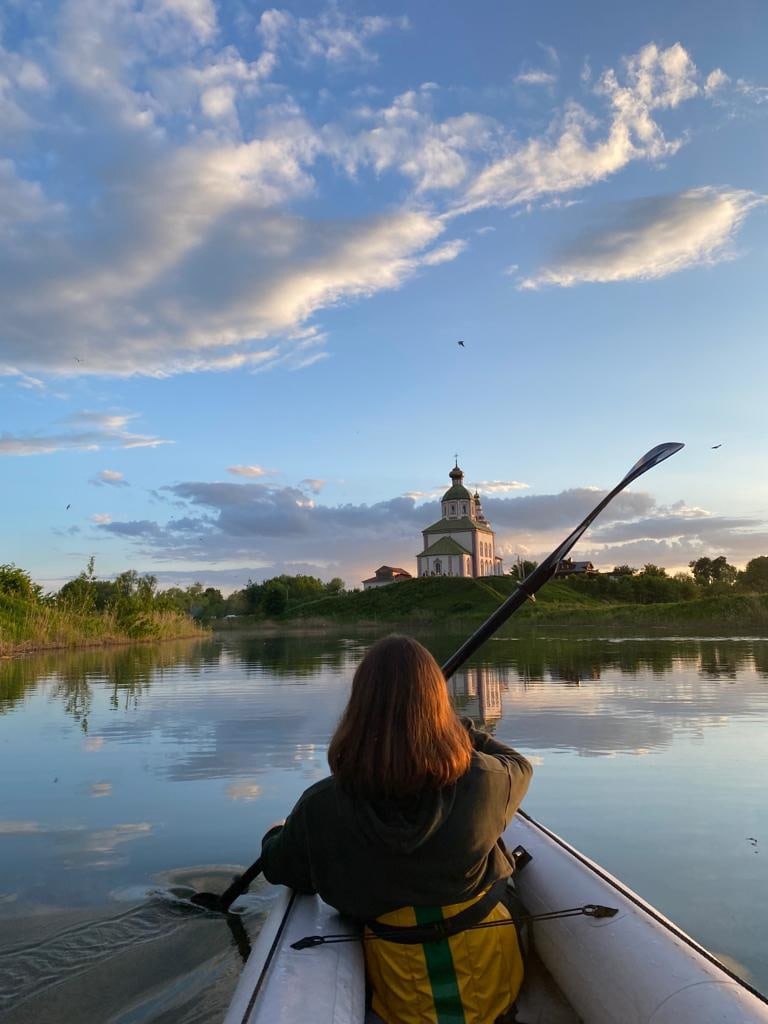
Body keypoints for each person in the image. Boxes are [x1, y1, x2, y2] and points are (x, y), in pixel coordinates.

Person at [260, 634, 533, 1024]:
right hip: (496, 989)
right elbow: (518, 763)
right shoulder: (484, 782)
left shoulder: (321, 807)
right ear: (438, 706)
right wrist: (459, 730)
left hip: (401, 996)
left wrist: (277, 834)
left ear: (359, 710)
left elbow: (280, 867)